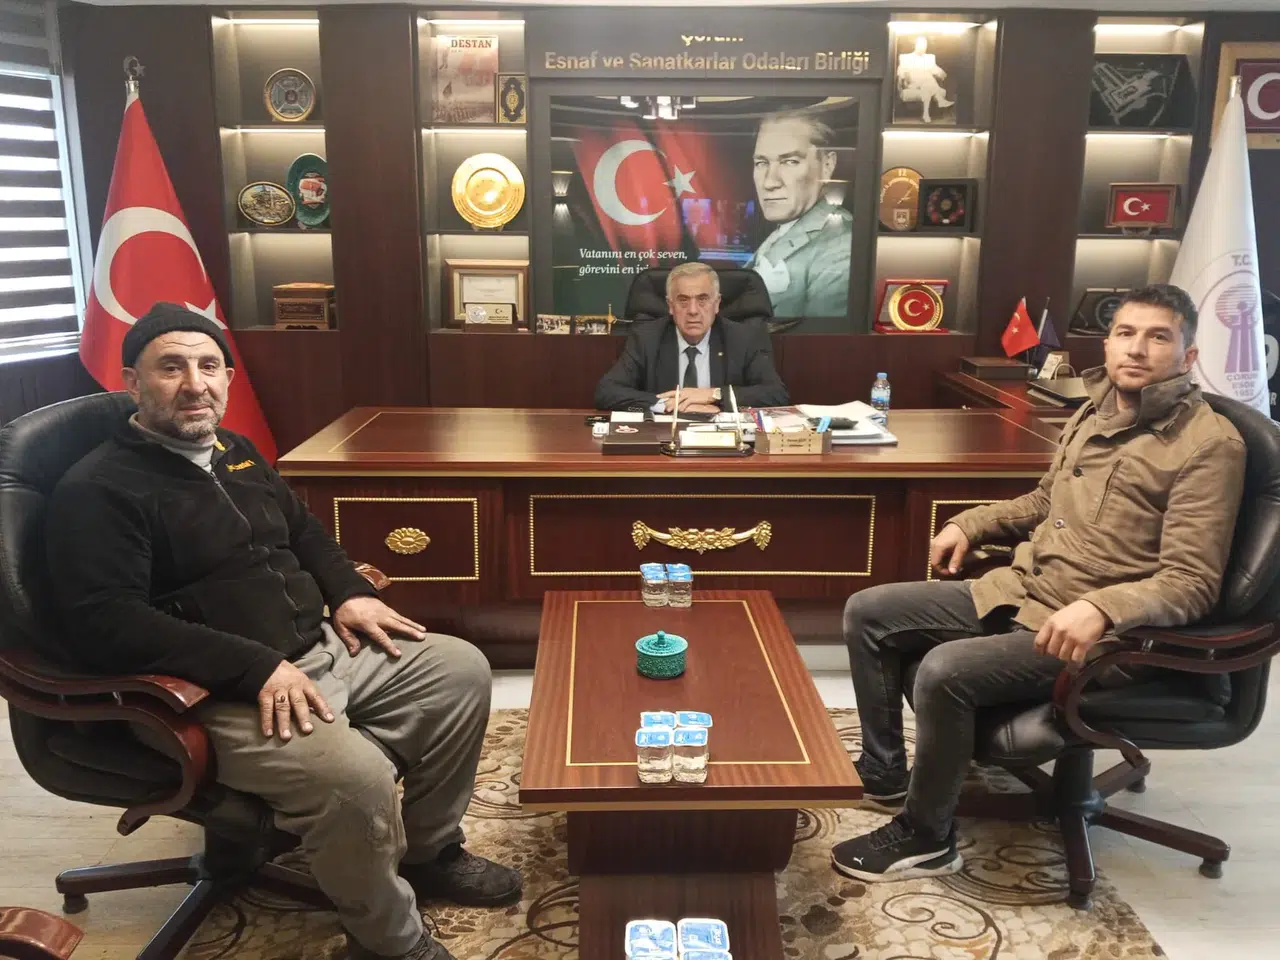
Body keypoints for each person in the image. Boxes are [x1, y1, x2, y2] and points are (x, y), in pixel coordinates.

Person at [45, 303, 518, 960]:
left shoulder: (234, 452)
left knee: (459, 669)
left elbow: (302, 531)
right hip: (213, 692)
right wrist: (255, 667)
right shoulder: (98, 490)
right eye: (171, 367)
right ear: (132, 382)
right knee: (356, 780)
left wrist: (349, 593)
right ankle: (389, 943)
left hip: (314, 650)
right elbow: (106, 622)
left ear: (228, 378)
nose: (194, 384)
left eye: (209, 366)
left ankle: (429, 852)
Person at [831, 284, 1246, 883]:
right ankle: (885, 773)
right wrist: (971, 522)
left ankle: (928, 837)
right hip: (1029, 591)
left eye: (1159, 337)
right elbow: (1045, 500)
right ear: (1107, 344)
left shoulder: (1210, 446)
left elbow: (1192, 582)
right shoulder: (1096, 409)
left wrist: (1102, 608)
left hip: (1107, 638)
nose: (1137, 349)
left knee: (944, 670)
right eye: (1126, 333)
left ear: (1188, 355)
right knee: (870, 611)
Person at [594, 261, 789, 413]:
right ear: (670, 306)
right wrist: (669, 405)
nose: (693, 310)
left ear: (717, 304)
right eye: (683, 300)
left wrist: (714, 395)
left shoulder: (742, 338)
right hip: (664, 440)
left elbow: (776, 393)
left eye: (702, 299)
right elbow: (607, 391)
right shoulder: (647, 338)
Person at [745, 111, 853, 319]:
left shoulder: (841, 245)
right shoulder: (784, 231)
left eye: (790, 161)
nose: (770, 182)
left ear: (827, 165)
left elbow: (823, 335)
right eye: (761, 163)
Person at [896, 35, 955, 124]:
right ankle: (940, 99)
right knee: (927, 77)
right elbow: (901, 72)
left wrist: (941, 72)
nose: (923, 47)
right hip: (912, 83)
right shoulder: (906, 58)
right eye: (921, 45)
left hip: (925, 84)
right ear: (915, 45)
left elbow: (935, 69)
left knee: (927, 86)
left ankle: (925, 114)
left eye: (925, 45)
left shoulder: (929, 58)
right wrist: (904, 77)